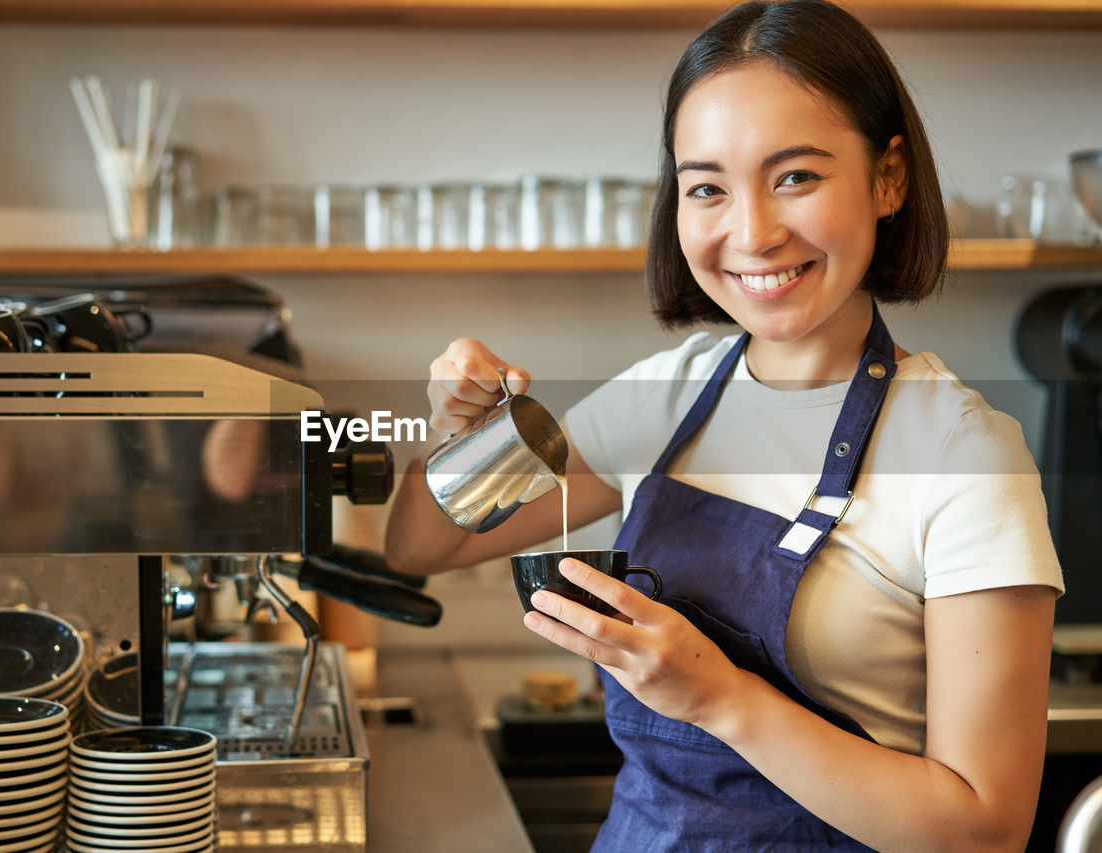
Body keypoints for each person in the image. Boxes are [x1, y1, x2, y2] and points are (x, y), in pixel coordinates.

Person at [384, 0, 1065, 849]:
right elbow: (422, 547)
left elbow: (984, 828)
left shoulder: (963, 454)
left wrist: (718, 697)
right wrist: (461, 435)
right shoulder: (662, 398)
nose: (752, 232)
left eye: (796, 177)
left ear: (889, 178)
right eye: (707, 187)